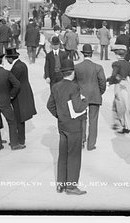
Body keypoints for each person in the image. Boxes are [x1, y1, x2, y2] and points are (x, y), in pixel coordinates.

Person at [47, 57, 88, 195]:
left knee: (62, 155)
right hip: (74, 127)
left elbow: (50, 105)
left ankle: (61, 184)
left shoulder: (56, 86)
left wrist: (60, 116)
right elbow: (77, 108)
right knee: (74, 157)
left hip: (62, 126)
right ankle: (71, 187)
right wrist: (85, 101)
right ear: (72, 72)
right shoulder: (74, 87)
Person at [73, 43, 107, 151]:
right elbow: (103, 82)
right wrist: (99, 92)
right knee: (93, 121)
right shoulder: (98, 67)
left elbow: (73, 83)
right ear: (91, 54)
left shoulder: (77, 67)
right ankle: (91, 144)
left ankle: (82, 141)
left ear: (83, 54)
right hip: (95, 96)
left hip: (81, 97)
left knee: (82, 120)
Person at [5, 47, 37, 148]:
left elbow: (14, 83)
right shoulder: (21, 64)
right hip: (24, 94)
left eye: (7, 59)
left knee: (18, 119)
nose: (7, 61)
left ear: (10, 58)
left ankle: (20, 140)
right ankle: (20, 139)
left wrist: (10, 95)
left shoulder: (17, 68)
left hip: (19, 96)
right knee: (20, 119)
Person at [107, 45, 130, 133]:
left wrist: (109, 82)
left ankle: (121, 125)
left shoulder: (116, 64)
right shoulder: (128, 64)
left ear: (117, 55)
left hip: (119, 84)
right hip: (126, 83)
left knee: (119, 104)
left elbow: (114, 75)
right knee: (128, 104)